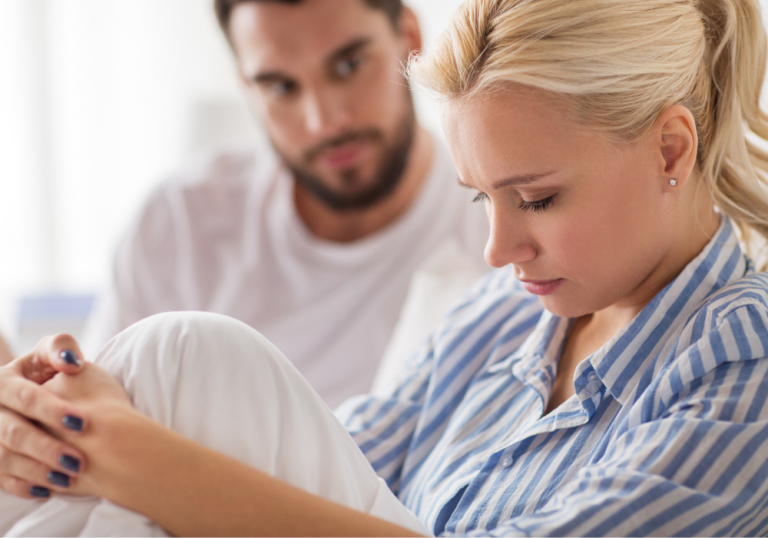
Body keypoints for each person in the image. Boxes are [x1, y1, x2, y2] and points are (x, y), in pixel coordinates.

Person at [2, 0, 768, 535]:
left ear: (671, 148)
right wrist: (76, 431)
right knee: (163, 376)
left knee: (186, 357)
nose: (498, 252)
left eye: (535, 199)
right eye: (480, 201)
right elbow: (308, 468)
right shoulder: (496, 316)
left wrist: (121, 450)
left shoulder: (742, 354)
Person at [81, 0, 489, 407]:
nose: (323, 121)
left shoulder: (502, 232)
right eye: (280, 87)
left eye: (349, 66)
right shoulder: (178, 225)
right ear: (247, 87)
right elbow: (93, 419)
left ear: (410, 38)